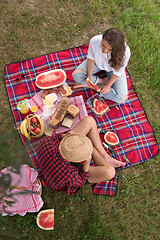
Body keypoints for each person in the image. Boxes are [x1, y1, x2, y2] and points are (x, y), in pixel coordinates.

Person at [37, 116, 125, 196]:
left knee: (89, 120)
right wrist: (86, 165)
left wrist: (64, 136)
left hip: (58, 156)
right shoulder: (70, 174)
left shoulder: (47, 142)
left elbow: (56, 137)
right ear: (79, 161)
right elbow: (81, 181)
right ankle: (94, 147)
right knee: (110, 172)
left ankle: (105, 156)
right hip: (64, 174)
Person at [72, 28, 131, 103]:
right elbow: (90, 58)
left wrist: (108, 86)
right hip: (97, 63)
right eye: (103, 45)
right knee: (76, 75)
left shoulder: (125, 52)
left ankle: (91, 86)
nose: (105, 50)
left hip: (113, 70)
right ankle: (102, 81)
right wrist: (89, 75)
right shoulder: (94, 40)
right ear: (102, 38)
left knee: (121, 98)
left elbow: (118, 72)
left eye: (110, 49)